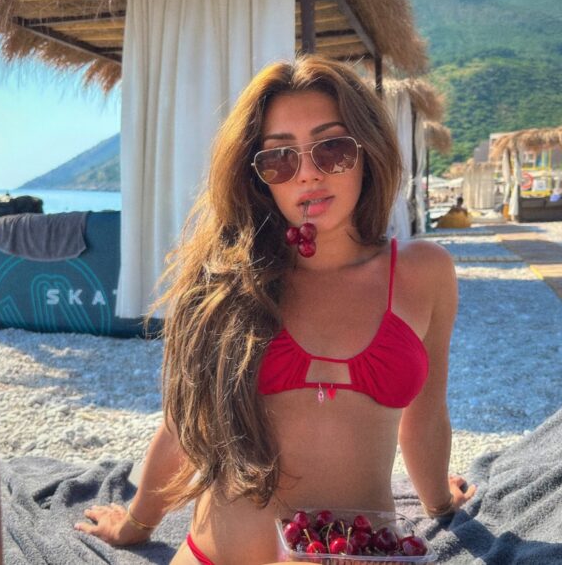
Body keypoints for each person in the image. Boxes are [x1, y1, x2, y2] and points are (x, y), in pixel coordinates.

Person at [74, 57, 475, 564]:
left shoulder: (423, 273)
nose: (307, 173)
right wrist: (137, 523)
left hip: (356, 556)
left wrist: (439, 503)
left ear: (368, 150)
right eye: (280, 158)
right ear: (259, 176)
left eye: (332, 148)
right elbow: (184, 425)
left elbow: (426, 413)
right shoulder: (227, 280)